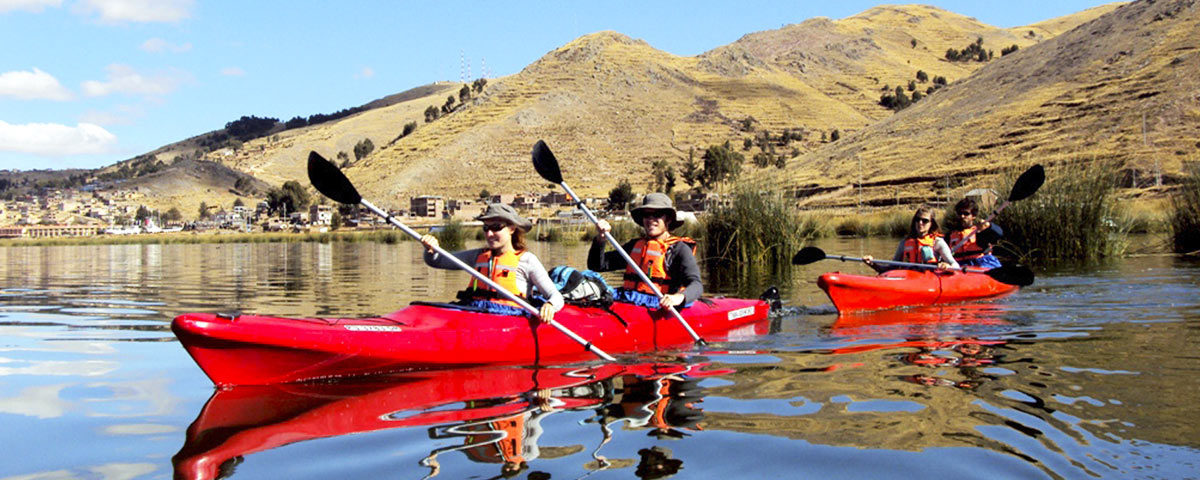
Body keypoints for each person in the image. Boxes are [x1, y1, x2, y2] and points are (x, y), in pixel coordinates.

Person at [420, 203, 562, 322]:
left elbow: (556, 297)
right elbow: (436, 261)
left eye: (496, 227)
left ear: (511, 228)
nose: (489, 234)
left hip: (509, 316)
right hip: (475, 311)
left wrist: (550, 305)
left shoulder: (527, 260)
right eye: (486, 228)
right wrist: (431, 249)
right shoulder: (477, 256)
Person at [589, 193, 701, 309]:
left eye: (657, 214)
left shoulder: (678, 249)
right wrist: (601, 239)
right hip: (629, 300)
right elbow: (597, 265)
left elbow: (696, 284)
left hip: (659, 304)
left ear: (667, 219)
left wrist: (678, 297)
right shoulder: (634, 246)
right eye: (647, 215)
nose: (651, 220)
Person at [863, 205, 959, 272]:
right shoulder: (904, 243)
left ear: (931, 224)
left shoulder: (938, 242)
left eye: (924, 221)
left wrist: (947, 267)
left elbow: (956, 265)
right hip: (909, 278)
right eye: (917, 219)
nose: (920, 223)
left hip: (930, 279)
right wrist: (872, 264)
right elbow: (890, 268)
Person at [948, 197, 1004, 269]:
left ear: (973, 216)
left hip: (981, 263)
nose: (962, 216)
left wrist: (989, 226)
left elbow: (999, 233)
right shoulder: (950, 235)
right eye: (959, 213)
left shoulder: (980, 231)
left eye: (966, 214)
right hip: (959, 266)